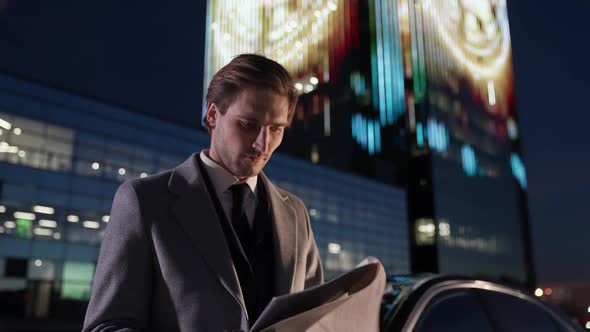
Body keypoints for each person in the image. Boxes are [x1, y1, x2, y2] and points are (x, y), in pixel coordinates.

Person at [82, 53, 323, 332]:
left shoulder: (295, 212)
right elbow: (106, 326)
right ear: (212, 114)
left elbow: (316, 318)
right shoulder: (144, 201)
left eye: (276, 129)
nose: (262, 144)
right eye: (248, 124)